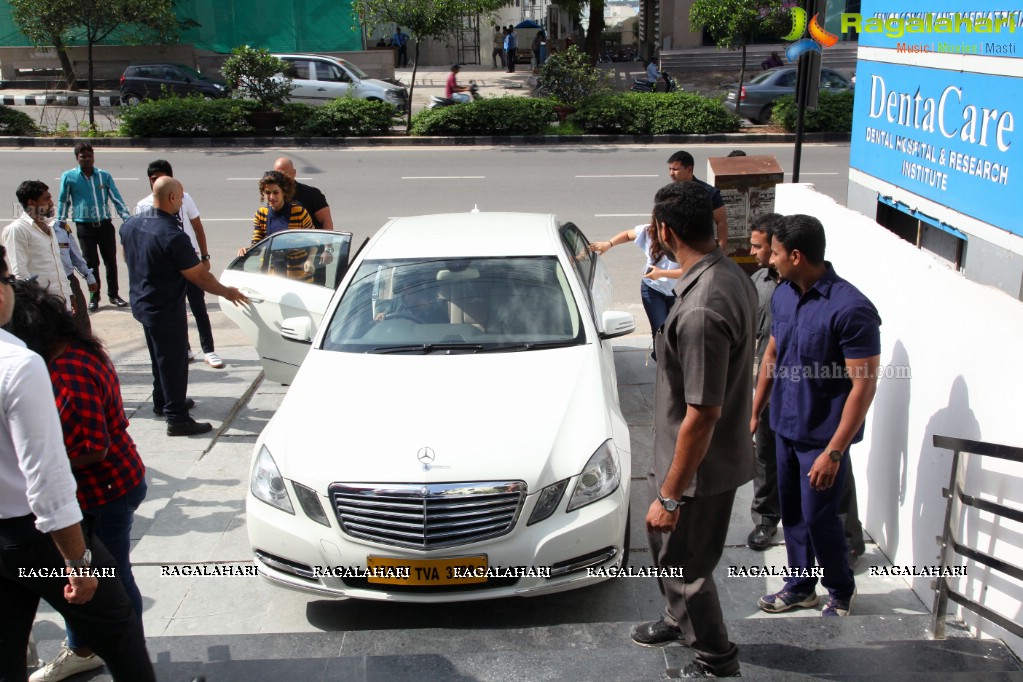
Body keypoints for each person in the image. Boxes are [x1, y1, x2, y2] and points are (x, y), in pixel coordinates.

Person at [0, 245, 157, 682]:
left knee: (114, 590)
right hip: (52, 515)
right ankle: (87, 648)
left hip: (103, 492)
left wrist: (78, 560)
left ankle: (98, 648)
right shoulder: (36, 365)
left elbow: (92, 448)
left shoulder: (64, 369)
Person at [631, 182, 756, 679]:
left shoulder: (703, 304)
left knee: (686, 567)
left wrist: (672, 496)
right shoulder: (722, 271)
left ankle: (716, 660)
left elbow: (702, 413)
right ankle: (675, 618)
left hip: (696, 472)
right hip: (683, 460)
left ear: (664, 229)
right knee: (669, 554)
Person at [751, 214, 881, 618]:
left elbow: (864, 386)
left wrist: (835, 452)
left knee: (821, 517)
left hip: (823, 440)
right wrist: (755, 413)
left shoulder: (851, 308)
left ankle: (840, 589)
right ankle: (801, 586)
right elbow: (771, 354)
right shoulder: (783, 294)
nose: (768, 260)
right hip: (783, 428)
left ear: (795, 254)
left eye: (773, 252)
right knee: (792, 514)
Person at [120, 177, 249, 436]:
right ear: (171, 198)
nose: (182, 202)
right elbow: (200, 276)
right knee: (174, 361)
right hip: (165, 308)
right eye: (180, 198)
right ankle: (177, 418)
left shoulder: (131, 224)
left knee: (159, 358)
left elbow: (128, 256)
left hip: (142, 302)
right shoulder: (172, 235)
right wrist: (227, 292)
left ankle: (163, 401)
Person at [136, 160, 224, 369]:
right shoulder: (144, 205)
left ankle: (209, 350)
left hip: (190, 261)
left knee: (198, 306)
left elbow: (197, 227)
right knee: (176, 309)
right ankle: (185, 348)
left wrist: (205, 256)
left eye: (161, 177)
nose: (156, 182)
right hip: (167, 267)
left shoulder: (184, 198)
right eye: (153, 178)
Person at [588, 219, 680, 361]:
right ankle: (663, 362)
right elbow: (628, 234)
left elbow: (691, 269)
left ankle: (664, 356)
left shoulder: (686, 236)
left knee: (675, 332)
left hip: (677, 292)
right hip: (652, 290)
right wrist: (609, 244)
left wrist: (661, 273)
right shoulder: (649, 232)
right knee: (660, 330)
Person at [746, 212, 784, 551]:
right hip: (765, 387)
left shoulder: (801, 285)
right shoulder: (759, 280)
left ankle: (847, 535)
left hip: (801, 389)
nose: (752, 250)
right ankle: (765, 521)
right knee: (765, 456)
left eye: (758, 245)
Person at [56, 143, 131, 312]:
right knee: (91, 264)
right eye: (83, 156)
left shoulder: (104, 176)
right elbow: (64, 200)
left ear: (93, 157)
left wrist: (127, 218)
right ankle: (94, 297)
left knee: (110, 261)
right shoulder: (69, 177)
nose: (87, 159)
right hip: (84, 228)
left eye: (89, 155)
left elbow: (116, 198)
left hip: (104, 225)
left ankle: (114, 295)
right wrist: (60, 221)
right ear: (77, 158)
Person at [3, 181, 72, 310]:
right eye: (47, 199)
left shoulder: (50, 226)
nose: (51, 203)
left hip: (62, 303)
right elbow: (20, 274)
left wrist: (69, 295)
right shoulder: (17, 229)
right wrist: (37, 304)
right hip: (43, 308)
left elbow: (57, 266)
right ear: (31, 203)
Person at [667, 151, 729, 253]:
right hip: (677, 252)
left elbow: (721, 222)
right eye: (670, 169)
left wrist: (721, 250)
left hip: (702, 252)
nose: (671, 173)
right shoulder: (670, 193)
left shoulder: (708, 193)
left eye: (675, 169)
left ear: (689, 169)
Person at [55, 219, 98, 336]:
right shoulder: (31, 232)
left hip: (70, 280)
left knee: (81, 320)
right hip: (51, 283)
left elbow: (76, 256)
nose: (52, 205)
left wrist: (89, 275)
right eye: (47, 200)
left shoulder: (62, 228)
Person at [273, 157, 333, 230]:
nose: (282, 178)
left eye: (285, 173)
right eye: (278, 174)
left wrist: (327, 240)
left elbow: (326, 222)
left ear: (294, 173)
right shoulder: (273, 196)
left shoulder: (311, 193)